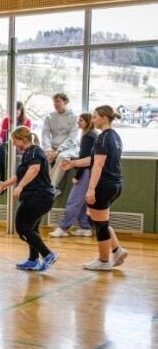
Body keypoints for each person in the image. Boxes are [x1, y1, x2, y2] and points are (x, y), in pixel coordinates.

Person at [61, 105, 126, 271]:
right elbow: (94, 159)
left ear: (104, 118)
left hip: (103, 185)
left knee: (100, 224)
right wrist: (74, 163)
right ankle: (117, 250)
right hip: (115, 185)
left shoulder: (102, 137)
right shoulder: (114, 136)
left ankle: (104, 261)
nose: (93, 120)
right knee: (98, 220)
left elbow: (98, 164)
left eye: (95, 116)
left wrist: (90, 189)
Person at [0, 127, 57, 271]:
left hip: (39, 196)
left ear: (22, 139)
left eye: (14, 141)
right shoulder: (28, 153)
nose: (14, 145)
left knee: (22, 228)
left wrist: (20, 186)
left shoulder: (34, 151)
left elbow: (34, 169)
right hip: (39, 197)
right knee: (31, 229)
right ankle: (33, 260)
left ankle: (48, 255)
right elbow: (21, 175)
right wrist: (5, 184)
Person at [50, 112, 96, 238]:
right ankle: (86, 227)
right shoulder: (92, 135)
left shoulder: (87, 137)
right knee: (82, 202)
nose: (78, 122)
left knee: (74, 200)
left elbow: (85, 158)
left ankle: (63, 228)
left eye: (81, 120)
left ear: (88, 122)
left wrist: (77, 176)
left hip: (86, 172)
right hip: (91, 172)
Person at [41, 92, 78, 195]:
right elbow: (45, 134)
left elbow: (72, 138)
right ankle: (47, 185)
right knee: (44, 158)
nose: (55, 104)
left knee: (62, 157)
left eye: (58, 101)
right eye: (54, 102)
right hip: (52, 147)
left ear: (65, 102)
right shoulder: (50, 117)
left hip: (69, 148)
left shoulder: (74, 117)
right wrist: (48, 149)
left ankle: (50, 186)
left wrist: (58, 151)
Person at [0, 101, 32, 182]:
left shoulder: (27, 121)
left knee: (1, 157)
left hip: (20, 146)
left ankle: (6, 177)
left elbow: (27, 138)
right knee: (0, 148)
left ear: (21, 111)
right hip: (8, 145)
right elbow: (2, 135)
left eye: (17, 112)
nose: (14, 114)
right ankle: (5, 176)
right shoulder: (6, 120)